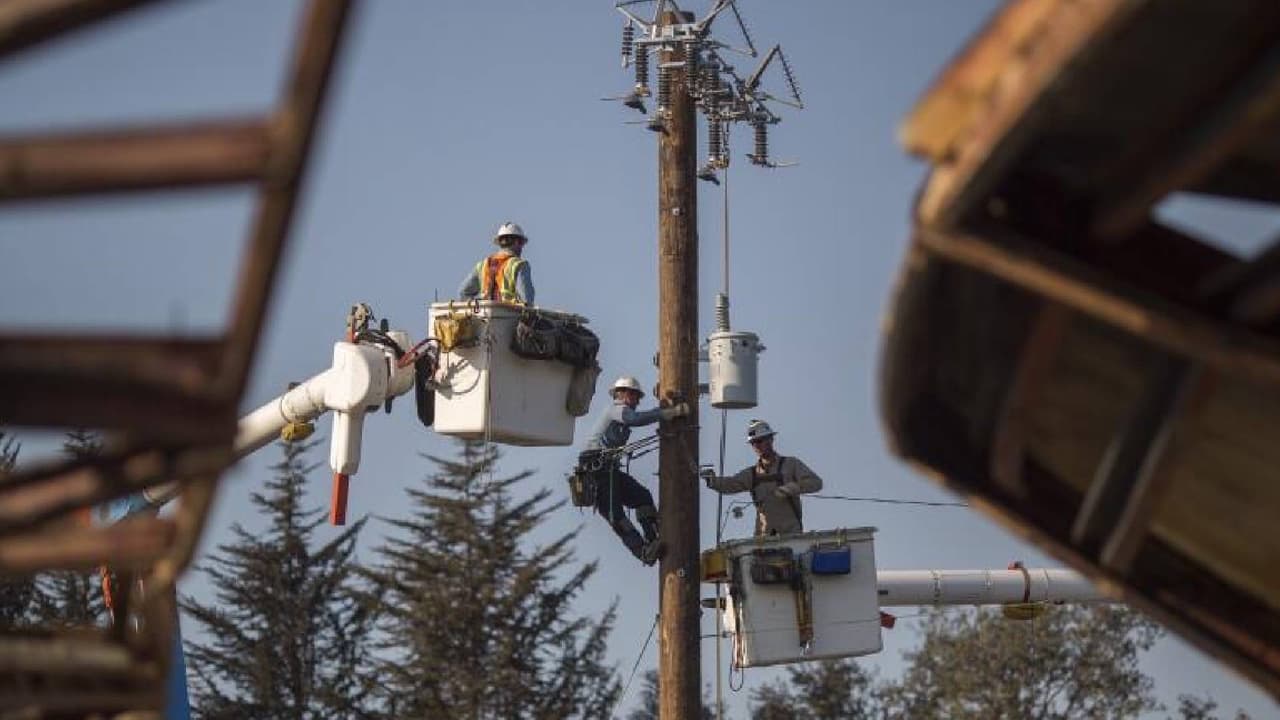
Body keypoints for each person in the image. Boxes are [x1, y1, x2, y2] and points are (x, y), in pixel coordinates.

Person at [578, 375, 688, 565]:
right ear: (621, 394)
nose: (637, 400)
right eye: (633, 395)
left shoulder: (621, 414)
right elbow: (635, 419)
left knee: (642, 497)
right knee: (616, 515)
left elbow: (637, 418)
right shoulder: (616, 410)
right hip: (596, 468)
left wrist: (664, 412)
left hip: (608, 467)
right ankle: (643, 551)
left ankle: (653, 539)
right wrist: (668, 413)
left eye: (637, 396)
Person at [701, 419, 822, 536]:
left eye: (759, 441)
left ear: (770, 439)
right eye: (753, 443)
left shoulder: (790, 464)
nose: (756, 446)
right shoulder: (752, 474)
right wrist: (712, 480)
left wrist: (793, 488)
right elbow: (731, 484)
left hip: (790, 535)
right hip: (764, 537)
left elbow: (816, 483)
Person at [458, 221, 535, 304]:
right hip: (509, 314)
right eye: (521, 244)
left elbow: (463, 292)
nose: (522, 248)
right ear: (517, 242)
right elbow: (527, 299)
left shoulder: (483, 265)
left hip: (484, 313)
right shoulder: (519, 264)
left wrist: (477, 305)